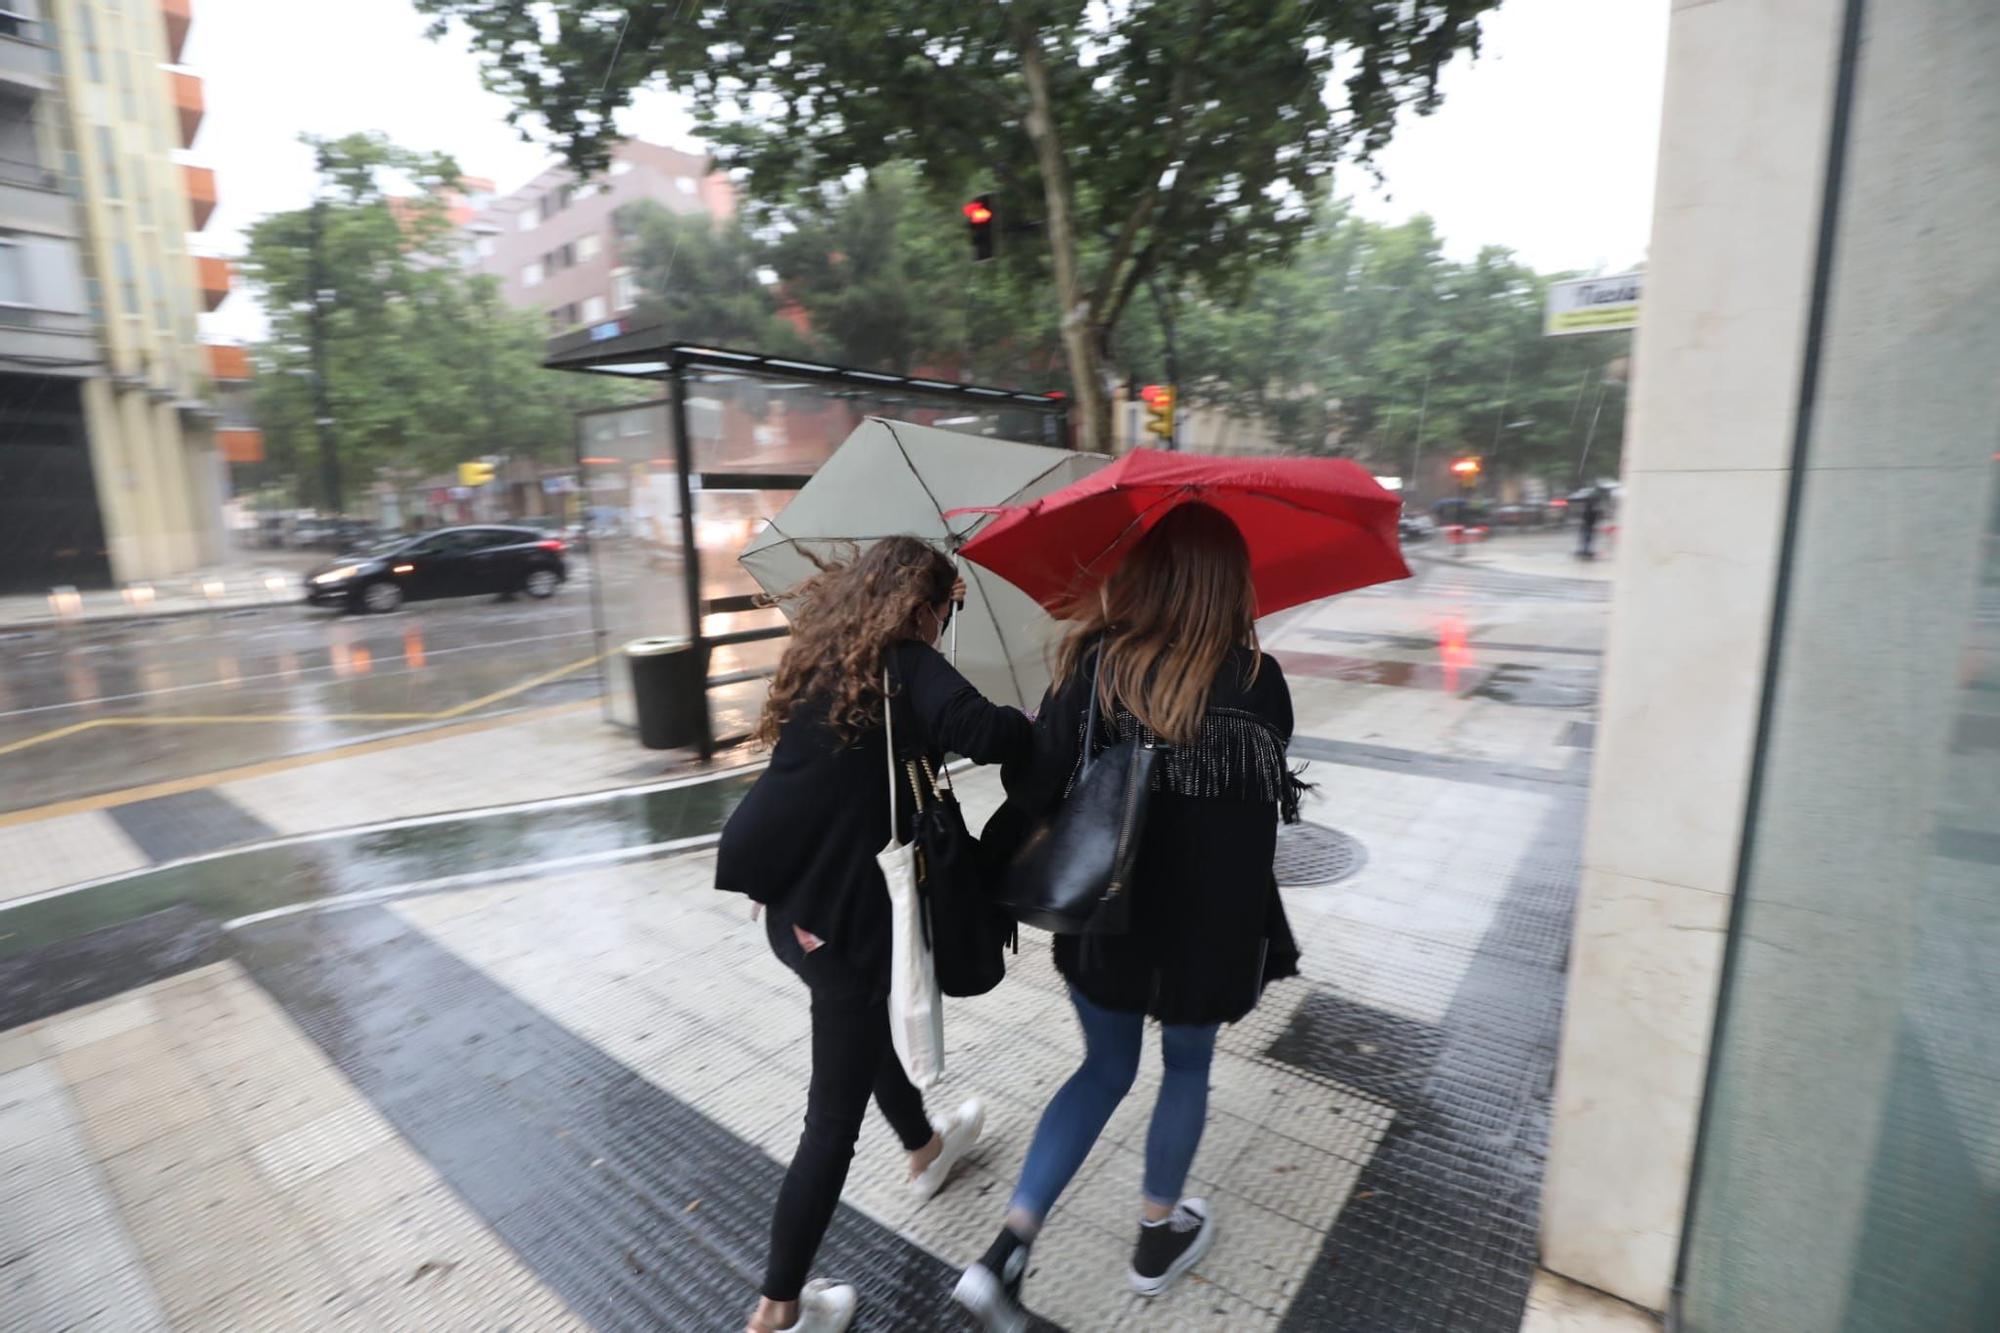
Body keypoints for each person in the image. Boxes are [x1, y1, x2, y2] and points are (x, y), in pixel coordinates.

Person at [954, 503, 1304, 1331]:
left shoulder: (1097, 666)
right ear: (1232, 584)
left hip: (1106, 918)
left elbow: (1033, 792)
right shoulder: (1263, 680)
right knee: (1186, 1068)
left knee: (1103, 1070)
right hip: (1213, 932)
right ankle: (1155, 1237)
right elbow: (1266, 801)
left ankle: (1005, 1254)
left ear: (1147, 573)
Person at [716, 537, 1033, 1333]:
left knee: (865, 1032)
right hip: (850, 929)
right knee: (830, 1121)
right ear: (920, 606)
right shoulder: (907, 664)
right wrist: (1027, 722)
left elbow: (807, 784)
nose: (943, 621)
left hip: (794, 912)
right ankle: (779, 1310)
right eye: (945, 608)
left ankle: (925, 1147)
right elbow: (989, 734)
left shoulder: (829, 659)